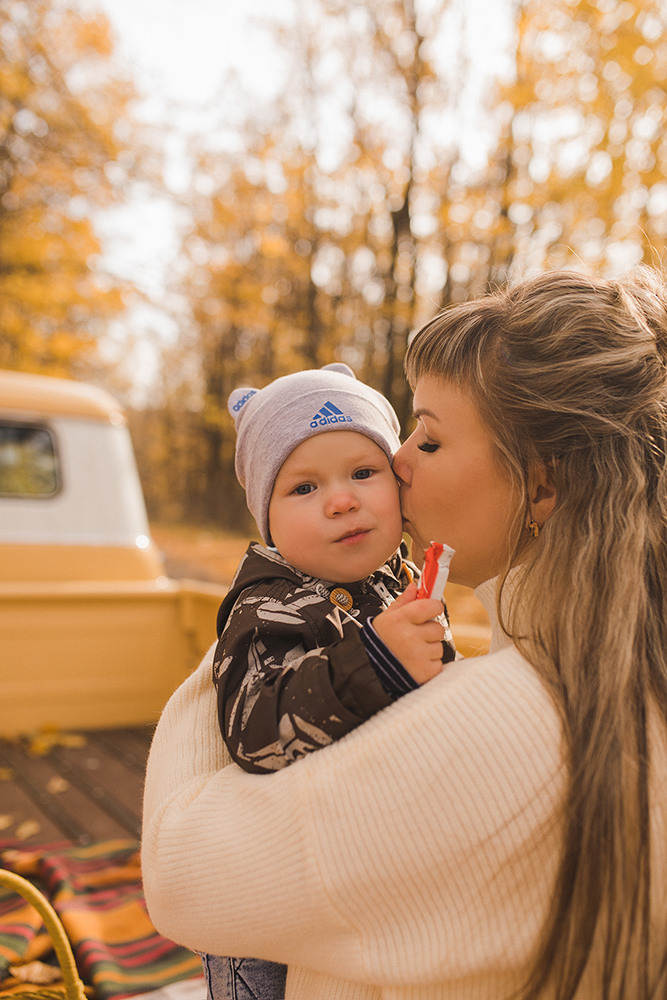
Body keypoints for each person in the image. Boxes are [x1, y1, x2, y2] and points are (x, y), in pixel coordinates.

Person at [142, 268, 667, 999]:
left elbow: (180, 876)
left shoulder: (509, 726)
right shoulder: (601, 669)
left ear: (542, 486)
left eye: (430, 438)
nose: (397, 461)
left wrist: (244, 626)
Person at [202, 363, 456, 1000]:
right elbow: (253, 728)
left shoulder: (405, 582)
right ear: (267, 518)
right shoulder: (268, 605)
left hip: (365, 870)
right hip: (269, 901)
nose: (341, 500)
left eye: (363, 473)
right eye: (304, 487)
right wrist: (374, 660)